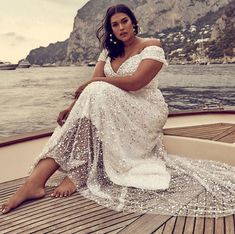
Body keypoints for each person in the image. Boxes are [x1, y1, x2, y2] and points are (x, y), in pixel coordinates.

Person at [1, 4, 235, 217]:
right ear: (110, 30)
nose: (121, 27)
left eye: (124, 21)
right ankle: (36, 181)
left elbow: (136, 82)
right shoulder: (108, 52)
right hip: (110, 104)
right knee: (92, 97)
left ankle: (74, 173)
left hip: (145, 110)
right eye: (115, 24)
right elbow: (95, 85)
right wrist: (73, 106)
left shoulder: (151, 45)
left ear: (134, 22)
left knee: (98, 90)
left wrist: (92, 85)